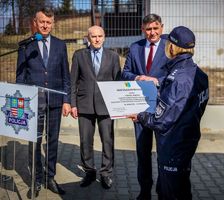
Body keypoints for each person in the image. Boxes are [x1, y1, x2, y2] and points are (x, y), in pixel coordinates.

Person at [128, 26, 209, 200]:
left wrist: (140, 115)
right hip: (187, 138)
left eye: (167, 43)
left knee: (169, 192)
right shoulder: (199, 74)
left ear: (172, 47)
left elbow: (161, 120)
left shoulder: (178, 79)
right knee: (180, 188)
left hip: (174, 144)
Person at [16, 8, 71, 198]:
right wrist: (21, 104)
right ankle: (36, 179)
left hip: (55, 102)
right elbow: (20, 77)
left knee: (52, 142)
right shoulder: (26, 45)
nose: (45, 25)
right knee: (35, 143)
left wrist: (66, 100)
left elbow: (66, 76)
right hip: (33, 105)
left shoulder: (60, 45)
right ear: (35, 23)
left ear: (53, 23)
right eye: (42, 22)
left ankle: (50, 177)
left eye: (49, 22)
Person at [122, 13, 169, 199]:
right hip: (139, 107)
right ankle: (144, 190)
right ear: (143, 29)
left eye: (155, 28)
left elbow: (177, 74)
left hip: (163, 109)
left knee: (163, 152)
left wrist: (156, 80)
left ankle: (162, 188)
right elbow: (124, 72)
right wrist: (136, 77)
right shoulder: (135, 48)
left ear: (161, 28)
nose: (152, 32)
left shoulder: (169, 48)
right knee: (143, 153)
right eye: (148, 29)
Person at [70, 25, 121, 189]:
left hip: (106, 106)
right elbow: (73, 82)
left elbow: (118, 82)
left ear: (104, 37)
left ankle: (106, 173)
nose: (97, 39)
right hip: (84, 105)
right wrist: (72, 104)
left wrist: (119, 105)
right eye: (93, 36)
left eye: (100, 36)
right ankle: (89, 172)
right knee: (85, 141)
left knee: (107, 140)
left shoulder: (113, 56)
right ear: (88, 38)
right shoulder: (79, 56)